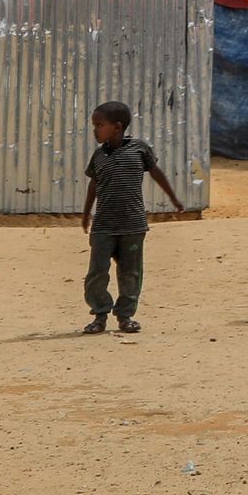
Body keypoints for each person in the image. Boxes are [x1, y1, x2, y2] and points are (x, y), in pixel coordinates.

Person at [80, 101, 184, 335]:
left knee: (131, 272)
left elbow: (156, 173)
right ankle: (99, 315)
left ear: (117, 127)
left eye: (99, 125)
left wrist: (174, 199)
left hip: (133, 224)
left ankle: (125, 316)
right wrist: (86, 215)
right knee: (97, 273)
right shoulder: (99, 156)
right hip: (103, 225)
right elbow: (93, 186)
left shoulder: (140, 149)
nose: (95, 131)